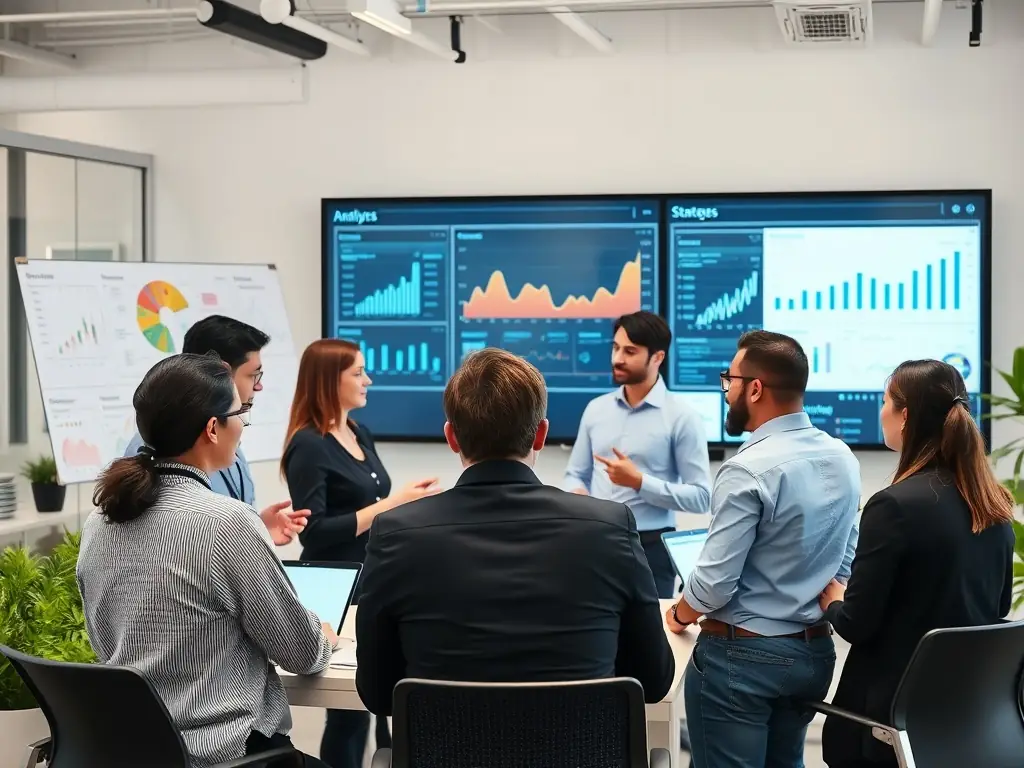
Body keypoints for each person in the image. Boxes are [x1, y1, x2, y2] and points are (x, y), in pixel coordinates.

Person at [355, 347, 676, 716]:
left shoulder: (395, 534)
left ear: (452, 437)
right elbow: (653, 682)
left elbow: (379, 696)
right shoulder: (610, 527)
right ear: (540, 435)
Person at [78, 353, 337, 768]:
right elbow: (303, 653)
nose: (243, 427)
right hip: (231, 758)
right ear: (213, 428)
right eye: (242, 413)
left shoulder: (101, 520)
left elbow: (106, 640)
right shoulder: (228, 522)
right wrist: (323, 634)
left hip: (138, 751)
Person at [665, 330, 861, 768]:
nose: (726, 391)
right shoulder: (843, 456)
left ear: (754, 388)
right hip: (812, 656)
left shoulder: (747, 469)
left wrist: (678, 615)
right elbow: (846, 560)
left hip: (740, 662)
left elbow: (713, 586)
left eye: (728, 380)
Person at [818, 360, 1015, 768]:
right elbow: (993, 616)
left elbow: (856, 623)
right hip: (962, 721)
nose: (882, 411)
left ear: (905, 415)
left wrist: (833, 600)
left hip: (884, 727)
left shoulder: (893, 506)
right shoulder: (995, 508)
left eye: (886, 401)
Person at [280, 338, 440, 768]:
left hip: (374, 579)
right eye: (357, 373)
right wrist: (390, 505)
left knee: (378, 704)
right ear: (329, 381)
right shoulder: (309, 445)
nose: (368, 380)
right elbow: (314, 531)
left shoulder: (357, 432)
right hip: (340, 587)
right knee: (349, 713)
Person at [564, 311, 712, 598]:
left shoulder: (682, 417)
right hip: (594, 540)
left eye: (630, 351)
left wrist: (639, 482)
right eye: (615, 347)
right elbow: (575, 473)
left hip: (652, 549)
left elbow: (701, 497)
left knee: (651, 639)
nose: (617, 358)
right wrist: (577, 494)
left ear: (657, 357)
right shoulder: (596, 409)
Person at [125, 314, 307, 547]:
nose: (259, 386)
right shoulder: (155, 445)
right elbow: (164, 542)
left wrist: (258, 529)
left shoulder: (231, 444)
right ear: (221, 373)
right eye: (253, 375)